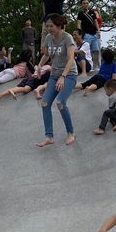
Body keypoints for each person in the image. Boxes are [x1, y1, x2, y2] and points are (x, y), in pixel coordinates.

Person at [36, 13, 78, 147]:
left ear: (59, 26)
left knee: (60, 103)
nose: (49, 28)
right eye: (47, 26)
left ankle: (70, 133)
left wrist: (63, 77)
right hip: (54, 75)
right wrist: (40, 65)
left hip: (69, 75)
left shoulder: (67, 38)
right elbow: (47, 54)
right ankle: (49, 136)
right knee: (44, 103)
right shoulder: (48, 38)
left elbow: (71, 59)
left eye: (51, 26)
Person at [77, 0, 102, 68]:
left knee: (96, 50)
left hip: (94, 34)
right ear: (81, 5)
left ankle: (95, 66)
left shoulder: (92, 12)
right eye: (84, 3)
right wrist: (79, 33)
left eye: (87, 3)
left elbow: (95, 22)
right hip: (86, 34)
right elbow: (79, 23)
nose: (86, 4)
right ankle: (89, 66)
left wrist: (98, 30)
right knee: (88, 51)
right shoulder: (80, 14)